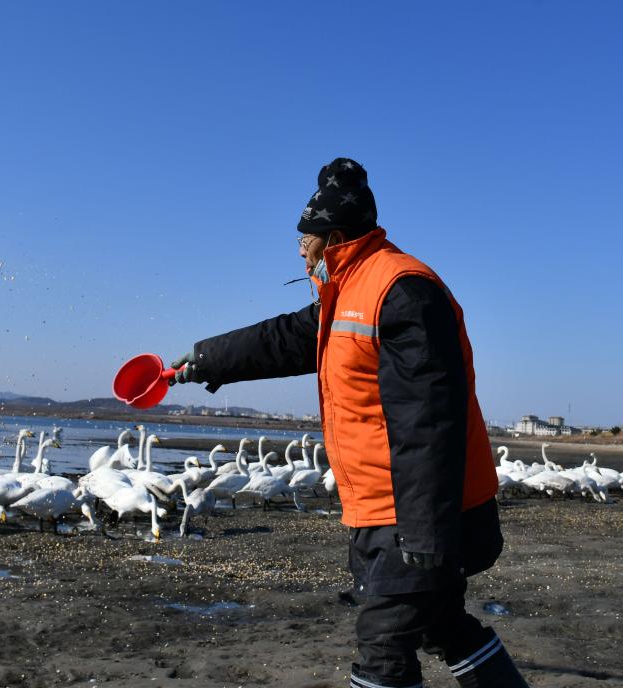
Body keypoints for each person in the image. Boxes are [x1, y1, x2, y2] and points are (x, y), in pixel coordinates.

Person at [169, 158, 528, 688]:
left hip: (414, 511)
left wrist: (425, 534)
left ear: (333, 238)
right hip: (386, 506)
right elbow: (284, 338)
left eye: (303, 240)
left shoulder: (403, 291)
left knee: (384, 643)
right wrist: (206, 360)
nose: (299, 251)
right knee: (441, 623)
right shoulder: (350, 291)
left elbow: (429, 423)